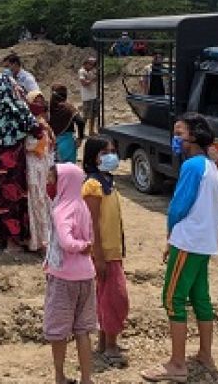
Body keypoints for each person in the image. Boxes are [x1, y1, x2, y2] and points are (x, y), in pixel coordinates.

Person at [142, 112, 218, 383]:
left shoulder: (192, 167)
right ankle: (205, 355)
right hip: (204, 242)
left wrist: (169, 237)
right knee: (201, 299)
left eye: (179, 133)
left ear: (194, 136)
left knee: (173, 298)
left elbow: (178, 206)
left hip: (188, 240)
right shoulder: (210, 166)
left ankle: (177, 363)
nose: (176, 139)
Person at [44, 162, 98, 384]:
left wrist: (78, 246)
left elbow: (66, 242)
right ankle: (86, 378)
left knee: (58, 331)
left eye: (53, 179)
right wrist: (85, 246)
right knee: (83, 330)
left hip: (64, 277)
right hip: (86, 275)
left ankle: (60, 376)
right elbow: (91, 237)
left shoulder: (62, 207)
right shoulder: (82, 205)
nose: (50, 183)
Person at [81, 136, 130, 367]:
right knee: (116, 298)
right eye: (105, 153)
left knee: (106, 297)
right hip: (105, 253)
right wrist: (98, 256)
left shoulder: (107, 181)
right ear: (94, 157)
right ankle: (110, 346)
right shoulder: (93, 185)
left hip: (114, 251)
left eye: (112, 151)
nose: (111, 156)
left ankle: (104, 343)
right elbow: (92, 224)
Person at [0, 72, 39, 251]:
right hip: (13, 158)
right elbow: (33, 127)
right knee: (13, 196)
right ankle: (14, 240)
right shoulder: (17, 106)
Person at [25, 90, 55, 253]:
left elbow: (50, 146)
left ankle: (47, 239)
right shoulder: (27, 122)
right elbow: (28, 145)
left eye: (41, 101)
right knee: (34, 199)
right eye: (35, 101)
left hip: (43, 164)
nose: (39, 104)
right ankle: (37, 241)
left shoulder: (44, 122)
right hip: (32, 164)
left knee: (44, 199)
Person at [50, 84, 85, 164]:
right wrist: (80, 138)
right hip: (67, 142)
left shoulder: (49, 107)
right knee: (69, 169)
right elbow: (80, 121)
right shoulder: (69, 108)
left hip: (52, 142)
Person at [78, 57, 99, 136]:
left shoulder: (90, 71)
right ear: (86, 64)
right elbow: (83, 83)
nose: (92, 66)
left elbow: (95, 79)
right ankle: (81, 133)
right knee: (86, 116)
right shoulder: (82, 71)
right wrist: (92, 80)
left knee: (93, 115)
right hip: (87, 97)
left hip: (93, 95)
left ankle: (91, 131)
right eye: (90, 64)